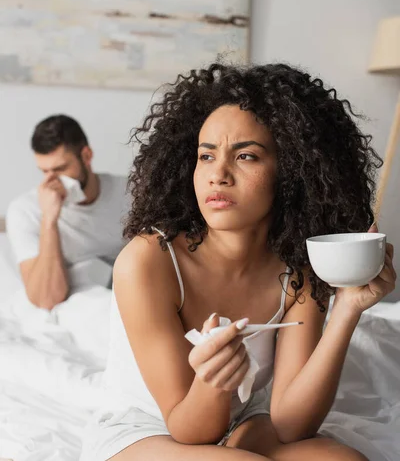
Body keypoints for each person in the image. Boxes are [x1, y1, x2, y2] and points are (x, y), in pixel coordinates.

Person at [80, 62, 396, 461]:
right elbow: (189, 429)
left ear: (292, 171)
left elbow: (291, 424)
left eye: (245, 156)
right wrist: (214, 380)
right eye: (206, 156)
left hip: (245, 423)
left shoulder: (297, 269)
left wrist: (348, 308)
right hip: (150, 430)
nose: (218, 175)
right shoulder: (148, 261)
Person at [6, 114, 127, 310]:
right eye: (44, 171)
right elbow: (46, 299)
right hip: (81, 305)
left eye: (61, 168)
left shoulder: (131, 192)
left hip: (129, 290)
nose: (52, 181)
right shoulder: (26, 211)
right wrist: (49, 219)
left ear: (86, 156)